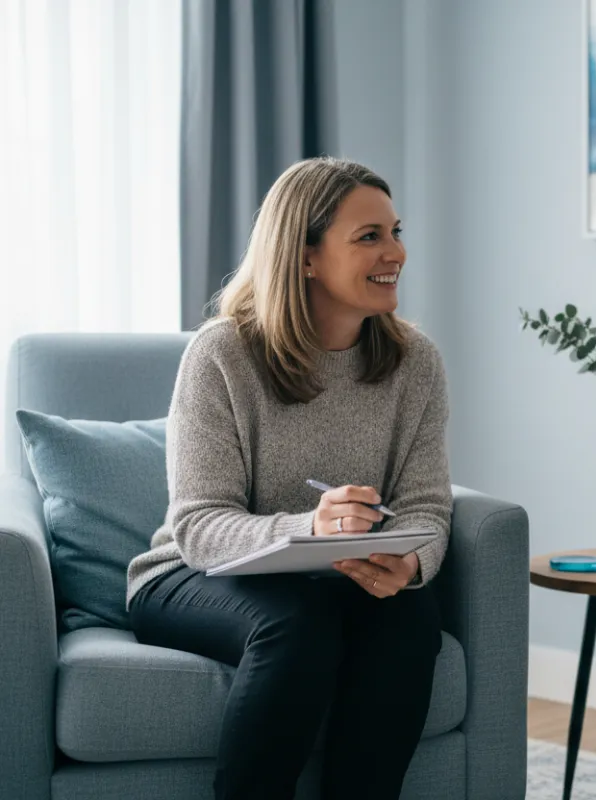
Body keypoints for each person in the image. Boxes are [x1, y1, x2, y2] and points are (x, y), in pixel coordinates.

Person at [126, 157, 451, 800]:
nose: (397, 253)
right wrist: (312, 526)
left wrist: (409, 562)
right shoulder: (222, 353)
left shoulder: (417, 363)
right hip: (191, 577)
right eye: (369, 237)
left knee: (409, 619)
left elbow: (426, 508)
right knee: (297, 623)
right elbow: (197, 525)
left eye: (396, 231)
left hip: (331, 583)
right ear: (304, 256)